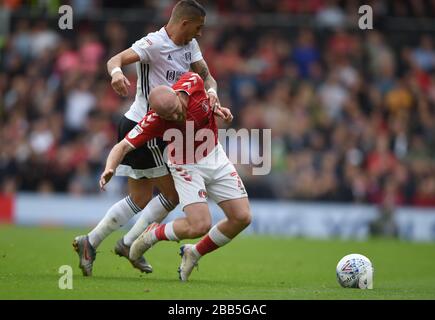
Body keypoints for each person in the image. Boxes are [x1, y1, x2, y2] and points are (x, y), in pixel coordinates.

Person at [73, 0, 222, 276]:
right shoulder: (153, 44)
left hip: (147, 127)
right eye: (198, 27)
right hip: (145, 127)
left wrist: (212, 93)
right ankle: (130, 245)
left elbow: (207, 77)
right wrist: (117, 74)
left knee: (140, 197)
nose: (200, 33)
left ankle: (90, 242)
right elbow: (113, 60)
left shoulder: (190, 46)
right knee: (172, 194)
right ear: (184, 23)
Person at [99, 72, 252, 281]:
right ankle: (154, 233)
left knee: (242, 218)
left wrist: (215, 105)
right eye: (168, 116)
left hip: (214, 154)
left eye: (176, 111)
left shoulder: (193, 82)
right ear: (156, 113)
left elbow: (208, 87)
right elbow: (122, 146)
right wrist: (109, 168)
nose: (175, 117)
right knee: (200, 225)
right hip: (185, 165)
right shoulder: (153, 121)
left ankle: (194, 253)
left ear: (177, 95)